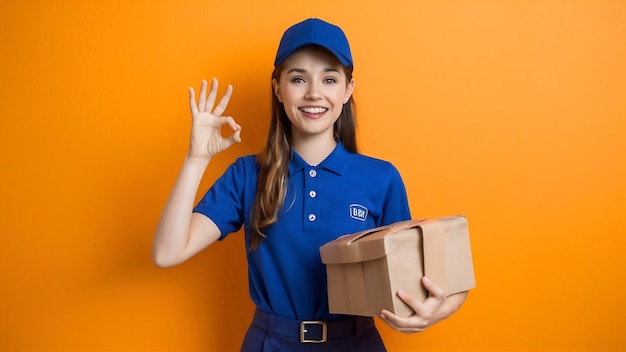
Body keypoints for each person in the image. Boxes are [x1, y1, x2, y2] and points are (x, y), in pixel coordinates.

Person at [153, 18, 468, 351]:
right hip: (269, 344)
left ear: (347, 89)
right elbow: (167, 252)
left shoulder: (381, 178)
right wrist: (196, 159)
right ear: (278, 88)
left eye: (329, 79)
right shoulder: (247, 174)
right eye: (298, 78)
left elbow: (431, 279)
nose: (314, 93)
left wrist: (437, 310)